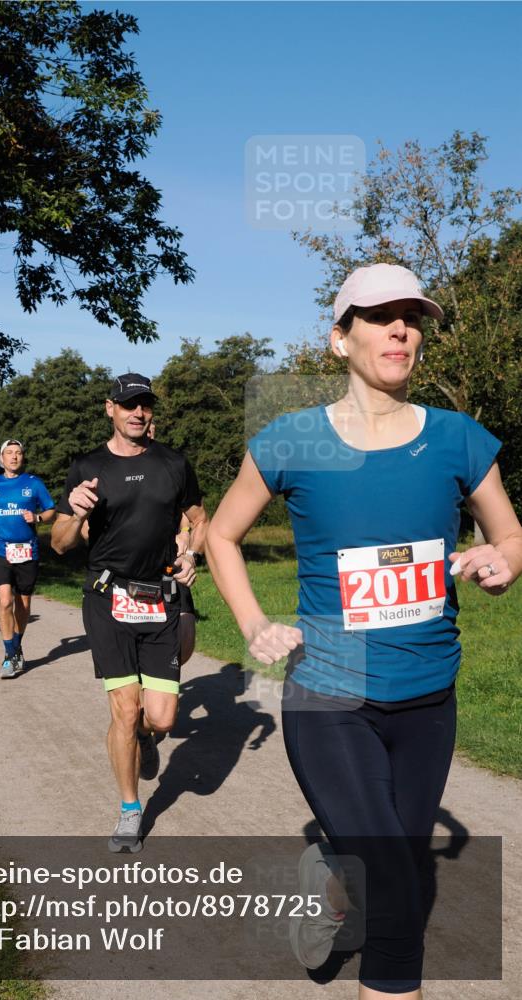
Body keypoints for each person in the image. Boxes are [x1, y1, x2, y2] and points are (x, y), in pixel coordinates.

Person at [205, 263, 522, 1000]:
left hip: (428, 698)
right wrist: (254, 623)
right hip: (330, 694)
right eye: (380, 316)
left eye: (411, 317)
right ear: (340, 339)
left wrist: (503, 560)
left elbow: (511, 535)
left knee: (397, 864)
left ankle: (333, 883)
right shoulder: (293, 439)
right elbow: (220, 535)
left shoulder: (458, 439)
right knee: (399, 896)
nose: (400, 329)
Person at [52, 373, 208, 853]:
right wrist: (77, 513)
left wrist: (191, 553)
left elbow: (200, 518)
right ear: (110, 409)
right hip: (108, 598)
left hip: (160, 596)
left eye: (145, 405)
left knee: (161, 718)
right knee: (124, 707)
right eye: (128, 405)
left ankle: (146, 737)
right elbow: (59, 543)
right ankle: (128, 809)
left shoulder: (173, 463)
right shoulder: (87, 467)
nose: (138, 412)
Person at [0, 439, 56, 678]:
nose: (14, 456)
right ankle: (10, 654)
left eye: (18, 453)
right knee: (5, 601)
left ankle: (16, 647)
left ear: (22, 457)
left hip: (27, 551)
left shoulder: (33, 483)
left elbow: (51, 510)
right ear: (1, 458)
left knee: (23, 603)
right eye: (9, 453)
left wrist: (38, 518)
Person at [147, 421, 197, 664]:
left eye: (151, 426)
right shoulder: (113, 465)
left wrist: (185, 532)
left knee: (186, 636)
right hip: (131, 565)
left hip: (171, 559)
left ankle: (169, 669)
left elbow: (191, 508)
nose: (147, 430)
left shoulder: (171, 464)